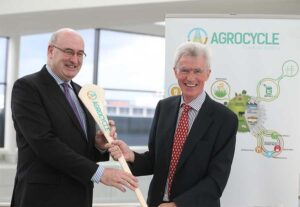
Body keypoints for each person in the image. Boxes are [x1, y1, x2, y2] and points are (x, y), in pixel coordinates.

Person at [10, 28, 138, 207]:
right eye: (68, 52)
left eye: (80, 54)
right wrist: (100, 173)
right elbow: (44, 143)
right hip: (42, 199)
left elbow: (80, 149)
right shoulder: (27, 88)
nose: (74, 60)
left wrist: (98, 145)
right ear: (50, 51)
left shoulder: (82, 93)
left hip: (80, 197)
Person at [108, 42, 238, 207]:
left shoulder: (224, 119)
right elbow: (156, 161)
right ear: (175, 72)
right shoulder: (164, 107)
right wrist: (131, 156)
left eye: (197, 71)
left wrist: (177, 205)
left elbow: (216, 181)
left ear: (208, 74)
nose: (190, 78)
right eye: (184, 70)